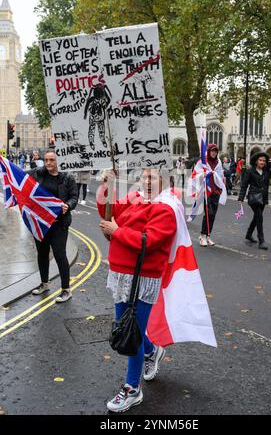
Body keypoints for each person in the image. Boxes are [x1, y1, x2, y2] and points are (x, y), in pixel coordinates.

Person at [97, 168, 177, 412]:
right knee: (127, 326)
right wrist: (107, 186)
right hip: (121, 274)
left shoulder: (166, 207)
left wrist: (117, 231)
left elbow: (148, 241)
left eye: (152, 177)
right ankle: (152, 350)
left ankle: (133, 389)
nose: (146, 181)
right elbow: (108, 211)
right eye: (144, 176)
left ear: (165, 180)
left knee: (131, 336)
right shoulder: (136, 197)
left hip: (143, 278)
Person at [29, 149, 78, 302]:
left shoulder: (68, 177)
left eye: (52, 160)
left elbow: (74, 197)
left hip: (59, 224)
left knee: (59, 254)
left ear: (59, 161)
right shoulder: (38, 173)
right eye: (46, 160)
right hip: (41, 223)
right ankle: (44, 283)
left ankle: (66, 289)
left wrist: (67, 206)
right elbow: (19, 177)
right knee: (42, 253)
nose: (49, 163)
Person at [238, 152, 271, 250]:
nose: (262, 162)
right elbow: (244, 185)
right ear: (256, 161)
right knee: (259, 217)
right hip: (253, 198)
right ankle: (261, 240)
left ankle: (248, 234)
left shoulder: (267, 171)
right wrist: (241, 198)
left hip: (263, 198)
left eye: (264, 161)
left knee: (257, 217)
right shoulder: (250, 171)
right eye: (260, 160)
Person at [198, 144, 227, 247]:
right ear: (209, 151)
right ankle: (202, 235)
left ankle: (208, 235)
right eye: (212, 151)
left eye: (215, 151)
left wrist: (221, 188)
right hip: (207, 191)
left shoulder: (218, 162)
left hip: (216, 191)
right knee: (208, 213)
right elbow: (195, 173)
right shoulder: (203, 161)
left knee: (213, 214)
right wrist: (202, 175)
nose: (214, 153)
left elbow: (220, 175)